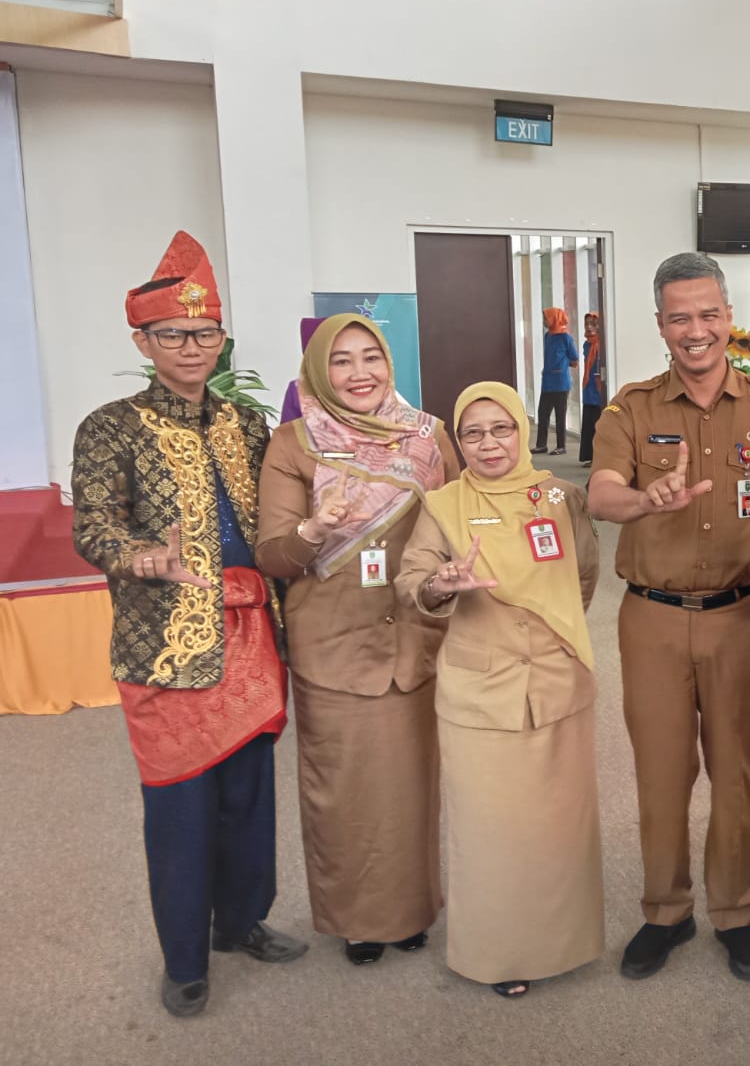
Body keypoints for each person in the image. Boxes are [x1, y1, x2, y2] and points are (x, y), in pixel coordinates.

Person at [71, 230, 306, 1019]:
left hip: (252, 631)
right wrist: (142, 558)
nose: (193, 347)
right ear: (142, 341)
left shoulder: (246, 423)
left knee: (248, 792)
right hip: (165, 642)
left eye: (206, 333)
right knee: (179, 803)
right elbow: (93, 526)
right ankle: (183, 958)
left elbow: (280, 516)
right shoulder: (110, 427)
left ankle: (241, 923)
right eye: (174, 334)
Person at [588, 251, 750, 983]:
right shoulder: (630, 409)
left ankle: (735, 912)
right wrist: (645, 500)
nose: (696, 331)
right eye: (679, 317)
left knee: (736, 772)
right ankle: (666, 911)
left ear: (729, 317)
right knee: (661, 774)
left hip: (744, 617)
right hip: (652, 620)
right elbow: (600, 494)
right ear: (660, 325)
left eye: (709, 314)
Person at [255, 313, 457, 966]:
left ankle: (410, 910)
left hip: (416, 636)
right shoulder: (294, 444)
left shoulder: (427, 436)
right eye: (341, 360)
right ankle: (358, 920)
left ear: (388, 363)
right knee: (344, 794)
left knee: (410, 787)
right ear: (319, 370)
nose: (359, 372)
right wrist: (314, 531)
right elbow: (273, 554)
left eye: (371, 357)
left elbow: (462, 520)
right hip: (333, 643)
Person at [396, 382, 603, 997]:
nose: (489, 443)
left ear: (522, 429)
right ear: (459, 443)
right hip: (480, 691)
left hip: (559, 680)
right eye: (473, 433)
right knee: (491, 833)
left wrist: (551, 624)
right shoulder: (443, 505)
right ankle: (499, 956)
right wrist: (441, 584)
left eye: (502, 428)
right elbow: (411, 581)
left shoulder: (562, 497)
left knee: (558, 826)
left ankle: (561, 945)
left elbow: (584, 574)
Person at [534, 307, 580, 456]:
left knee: (560, 415)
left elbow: (574, 360)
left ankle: (561, 446)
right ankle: (541, 445)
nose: (544, 322)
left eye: (546, 318)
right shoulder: (547, 336)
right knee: (543, 413)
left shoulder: (566, 338)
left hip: (561, 383)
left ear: (554, 319)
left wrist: (561, 365)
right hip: (547, 382)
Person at [578, 311, 604, 465]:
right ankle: (590, 456)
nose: (589, 327)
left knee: (598, 424)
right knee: (589, 423)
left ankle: (598, 458)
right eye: (587, 324)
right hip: (589, 388)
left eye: (593, 324)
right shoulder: (587, 344)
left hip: (599, 389)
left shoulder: (603, 344)